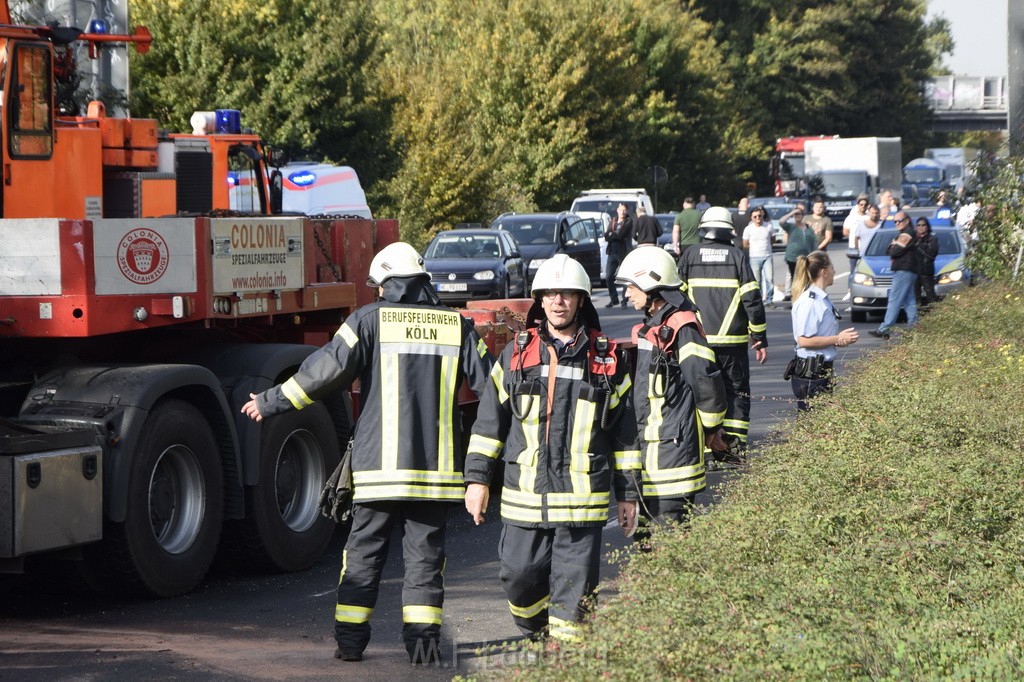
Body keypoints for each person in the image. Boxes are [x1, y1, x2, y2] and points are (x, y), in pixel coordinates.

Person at [241, 242, 493, 665]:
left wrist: (270, 402)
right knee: (425, 563)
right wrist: (482, 468)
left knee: (362, 558)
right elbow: (493, 391)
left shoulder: (367, 320)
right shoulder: (458, 326)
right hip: (435, 474)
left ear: (386, 284)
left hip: (377, 471)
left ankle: (351, 645)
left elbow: (325, 372)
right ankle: (423, 650)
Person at [463, 254, 639, 643]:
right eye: (550, 294)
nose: (558, 301)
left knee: (573, 603)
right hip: (524, 497)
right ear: (540, 300)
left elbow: (625, 435)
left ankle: (563, 660)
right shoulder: (515, 354)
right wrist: (477, 480)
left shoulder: (606, 359)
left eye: (567, 294)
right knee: (518, 577)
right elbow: (490, 422)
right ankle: (535, 632)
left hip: (581, 502)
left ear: (580, 300)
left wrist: (627, 494)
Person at [615, 248, 727, 539]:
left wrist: (712, 429)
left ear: (652, 283)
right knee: (646, 545)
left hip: (672, 459)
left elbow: (706, 382)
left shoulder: (681, 326)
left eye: (631, 286)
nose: (627, 294)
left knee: (669, 544)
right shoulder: (653, 327)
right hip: (651, 457)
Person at [677, 207, 767, 456]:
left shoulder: (689, 256)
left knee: (702, 392)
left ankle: (705, 447)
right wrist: (759, 337)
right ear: (729, 230)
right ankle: (732, 449)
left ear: (703, 229)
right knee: (736, 392)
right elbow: (752, 300)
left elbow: (677, 299)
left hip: (697, 341)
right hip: (733, 343)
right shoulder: (737, 256)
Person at [789, 251, 859, 410]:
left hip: (820, 371)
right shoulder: (810, 302)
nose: (834, 272)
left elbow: (819, 335)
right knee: (813, 426)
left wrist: (840, 340)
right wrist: (836, 338)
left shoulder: (820, 298)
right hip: (811, 374)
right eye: (832, 268)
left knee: (820, 427)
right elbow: (804, 340)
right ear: (823, 271)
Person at [869, 211, 918, 339]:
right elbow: (888, 250)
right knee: (909, 301)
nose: (896, 223)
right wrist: (893, 246)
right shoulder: (902, 234)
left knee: (894, 300)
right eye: (895, 221)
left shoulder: (907, 234)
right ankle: (915, 327)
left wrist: (894, 245)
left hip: (904, 270)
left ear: (907, 220)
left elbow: (894, 250)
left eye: (899, 221)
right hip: (907, 270)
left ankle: (885, 329)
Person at [779, 204, 817, 301]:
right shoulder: (791, 227)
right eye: (795, 215)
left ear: (803, 215)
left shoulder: (808, 228)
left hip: (806, 257)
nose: (797, 216)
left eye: (799, 214)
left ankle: (804, 296)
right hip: (792, 257)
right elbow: (781, 221)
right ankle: (796, 298)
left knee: (805, 277)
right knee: (795, 278)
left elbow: (813, 242)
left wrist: (814, 255)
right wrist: (792, 212)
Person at [741, 205, 776, 306]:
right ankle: (759, 300)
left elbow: (773, 239)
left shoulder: (768, 226)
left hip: (767, 256)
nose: (758, 219)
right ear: (751, 218)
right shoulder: (748, 229)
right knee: (757, 280)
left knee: (769, 279)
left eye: (759, 216)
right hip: (754, 257)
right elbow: (745, 244)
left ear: (762, 216)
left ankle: (769, 300)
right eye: (755, 217)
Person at [604, 202, 634, 308]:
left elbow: (621, 235)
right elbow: (606, 235)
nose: (623, 212)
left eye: (625, 210)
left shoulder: (628, 221)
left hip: (623, 251)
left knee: (624, 277)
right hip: (612, 251)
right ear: (617, 210)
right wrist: (612, 235)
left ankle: (624, 300)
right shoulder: (613, 220)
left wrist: (612, 235)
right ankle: (614, 299)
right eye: (621, 209)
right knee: (608, 277)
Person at [914, 217, 940, 306]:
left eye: (923, 225)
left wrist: (919, 245)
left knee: (931, 296)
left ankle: (934, 316)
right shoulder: (913, 239)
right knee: (915, 297)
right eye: (918, 225)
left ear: (927, 227)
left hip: (926, 271)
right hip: (914, 271)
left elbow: (931, 255)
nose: (921, 227)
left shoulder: (932, 239)